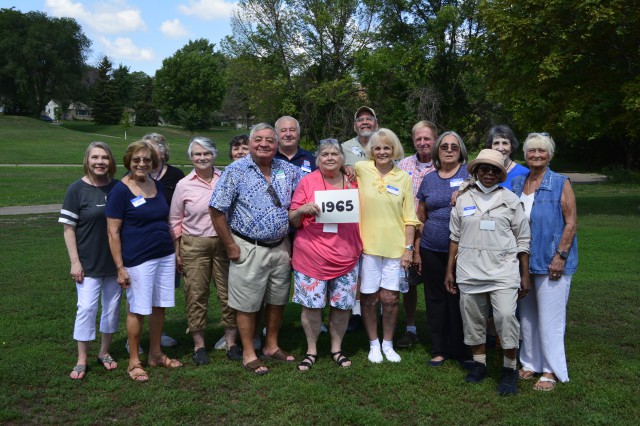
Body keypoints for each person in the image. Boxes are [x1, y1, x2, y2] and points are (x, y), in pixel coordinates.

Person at [209, 123, 302, 375]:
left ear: (277, 144)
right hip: (248, 247)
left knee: (277, 299)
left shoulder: (288, 170)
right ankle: (249, 352)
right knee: (247, 303)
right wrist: (230, 245)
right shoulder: (235, 170)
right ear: (250, 143)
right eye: (258, 139)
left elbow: (314, 183)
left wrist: (345, 170)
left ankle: (271, 345)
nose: (264, 144)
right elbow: (216, 209)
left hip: (280, 247)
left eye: (270, 140)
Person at [444, 149, 531, 395]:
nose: (489, 173)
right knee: (473, 320)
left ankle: (509, 369)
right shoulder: (463, 199)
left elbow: (523, 239)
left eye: (495, 170)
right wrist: (449, 270)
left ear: (501, 174)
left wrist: (524, 274)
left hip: (503, 270)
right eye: (484, 169)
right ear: (476, 171)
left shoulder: (510, 200)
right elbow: (454, 237)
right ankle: (479, 364)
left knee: (505, 317)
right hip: (469, 270)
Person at [106, 140, 183, 382]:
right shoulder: (120, 190)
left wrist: (175, 252)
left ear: (154, 162)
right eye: (137, 159)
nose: (142, 164)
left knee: (159, 306)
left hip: (164, 255)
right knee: (138, 309)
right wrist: (120, 268)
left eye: (147, 160)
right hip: (138, 259)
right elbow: (113, 232)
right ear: (128, 161)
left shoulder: (156, 185)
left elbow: (165, 220)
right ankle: (134, 361)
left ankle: (155, 354)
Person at [511, 132, 578, 391]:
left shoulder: (561, 182)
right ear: (525, 155)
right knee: (527, 317)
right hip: (523, 261)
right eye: (532, 150)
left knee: (551, 319)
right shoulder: (518, 183)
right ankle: (530, 362)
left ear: (550, 155)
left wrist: (561, 256)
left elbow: (571, 223)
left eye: (542, 151)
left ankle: (551, 370)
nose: (536, 155)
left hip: (551, 261)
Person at [289, 139, 362, 371]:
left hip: (346, 254)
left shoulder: (353, 181)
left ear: (342, 158)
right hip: (311, 255)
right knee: (311, 306)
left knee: (342, 306)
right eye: (324, 154)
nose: (330, 158)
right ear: (317, 159)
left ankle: (336, 349)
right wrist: (302, 210)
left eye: (334, 154)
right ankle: (311, 350)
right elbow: (293, 219)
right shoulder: (307, 181)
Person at [169, 137, 241, 366]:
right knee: (196, 294)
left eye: (206, 153)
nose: (202, 158)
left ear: (214, 155)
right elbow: (175, 220)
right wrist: (177, 251)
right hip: (194, 245)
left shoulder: (226, 177)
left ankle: (231, 342)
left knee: (228, 294)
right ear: (191, 157)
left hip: (224, 243)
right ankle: (199, 346)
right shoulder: (183, 185)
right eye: (197, 154)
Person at [356, 128, 420, 363]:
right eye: (377, 148)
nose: (382, 152)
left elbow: (410, 217)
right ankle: (374, 344)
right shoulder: (361, 169)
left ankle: (388, 343)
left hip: (395, 248)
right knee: (369, 298)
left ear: (394, 150)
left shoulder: (403, 177)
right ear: (371, 150)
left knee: (391, 298)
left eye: (387, 148)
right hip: (367, 246)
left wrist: (408, 249)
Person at [60, 141, 122, 380]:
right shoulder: (76, 189)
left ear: (111, 161)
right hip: (88, 264)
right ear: (87, 160)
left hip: (114, 263)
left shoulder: (118, 187)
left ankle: (104, 352)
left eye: (104, 157)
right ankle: (81, 358)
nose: (100, 162)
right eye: (95, 157)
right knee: (86, 308)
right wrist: (75, 261)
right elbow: (68, 229)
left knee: (112, 308)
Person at [417, 131, 470, 367]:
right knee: (435, 298)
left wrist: (467, 189)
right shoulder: (429, 179)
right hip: (431, 248)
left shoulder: (470, 175)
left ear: (461, 152)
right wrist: (417, 250)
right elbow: (421, 216)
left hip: (463, 249)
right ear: (437, 151)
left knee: (460, 298)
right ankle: (439, 348)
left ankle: (461, 348)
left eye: (454, 147)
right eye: (444, 146)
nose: (449, 150)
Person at [396, 120, 437, 348]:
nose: (423, 143)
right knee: (409, 283)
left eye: (427, 138)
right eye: (418, 139)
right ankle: (410, 328)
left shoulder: (443, 165)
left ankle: (438, 328)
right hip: (408, 233)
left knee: (435, 283)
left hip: (435, 234)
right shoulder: (403, 165)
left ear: (435, 139)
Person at [142, 132, 184, 348]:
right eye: (145, 149)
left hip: (168, 243)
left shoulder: (176, 175)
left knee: (161, 292)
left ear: (163, 152)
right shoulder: (135, 174)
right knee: (140, 292)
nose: (149, 153)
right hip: (141, 243)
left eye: (154, 148)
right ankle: (135, 338)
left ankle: (158, 334)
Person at [342, 106, 379, 331]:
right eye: (360, 119)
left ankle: (376, 308)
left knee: (375, 260)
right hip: (352, 213)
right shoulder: (344, 147)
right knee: (353, 263)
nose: (365, 122)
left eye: (369, 119)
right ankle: (355, 311)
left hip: (378, 212)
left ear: (376, 123)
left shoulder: (385, 143)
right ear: (355, 125)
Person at [485, 125, 529, 190]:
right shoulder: (483, 171)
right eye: (496, 143)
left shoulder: (524, 173)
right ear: (490, 147)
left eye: (505, 143)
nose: (500, 148)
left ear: (511, 147)